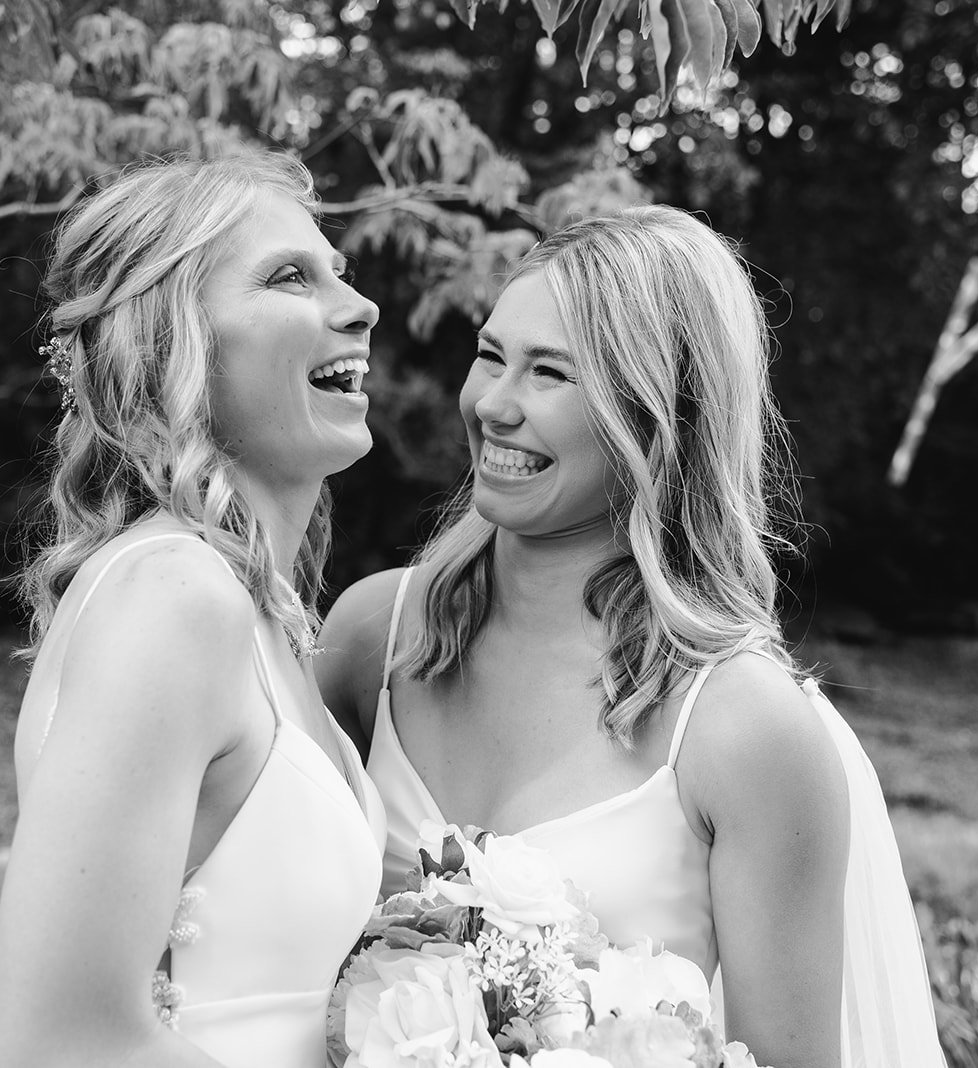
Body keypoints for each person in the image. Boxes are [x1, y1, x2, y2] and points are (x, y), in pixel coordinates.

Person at [318, 206, 945, 1068]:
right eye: (491, 356)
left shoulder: (742, 726)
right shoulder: (372, 639)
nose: (494, 406)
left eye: (550, 374)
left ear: (658, 415)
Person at [0, 153, 386, 1068]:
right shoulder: (175, 596)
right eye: (290, 276)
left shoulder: (261, 620)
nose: (358, 306)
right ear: (174, 342)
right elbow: (56, 1044)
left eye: (341, 273)